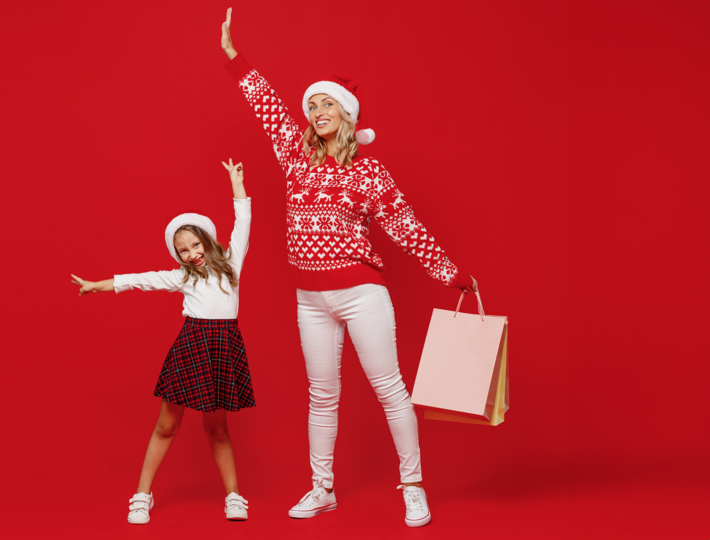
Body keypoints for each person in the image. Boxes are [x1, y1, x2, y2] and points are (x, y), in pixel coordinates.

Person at [218, 8, 478, 528]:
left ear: (347, 113)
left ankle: (413, 486)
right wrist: (233, 57)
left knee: (390, 389)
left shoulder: (368, 171)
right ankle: (322, 489)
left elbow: (406, 226)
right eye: (311, 103)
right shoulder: (294, 153)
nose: (316, 109)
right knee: (322, 395)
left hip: (361, 293)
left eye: (327, 102)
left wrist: (451, 273)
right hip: (309, 297)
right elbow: (266, 104)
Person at [71, 159, 255, 525]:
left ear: (207, 240)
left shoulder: (232, 264)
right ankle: (142, 496)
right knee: (167, 426)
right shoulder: (182, 278)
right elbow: (142, 279)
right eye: (183, 251)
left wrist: (236, 185)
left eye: (194, 244)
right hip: (192, 346)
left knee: (217, 429)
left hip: (223, 347)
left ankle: (234, 497)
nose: (191, 254)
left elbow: (243, 222)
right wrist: (98, 284)